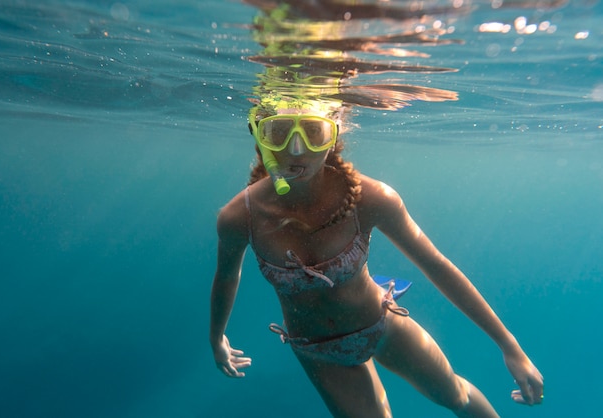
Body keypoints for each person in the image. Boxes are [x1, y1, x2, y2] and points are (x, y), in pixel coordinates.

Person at [209, 97, 543, 417]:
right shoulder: (240, 217)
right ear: (259, 134)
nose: (297, 149)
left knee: (455, 396)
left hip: (383, 325)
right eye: (279, 132)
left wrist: (508, 344)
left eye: (314, 132)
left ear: (334, 134)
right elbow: (226, 277)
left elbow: (436, 266)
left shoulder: (371, 198)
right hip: (318, 351)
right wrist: (216, 337)